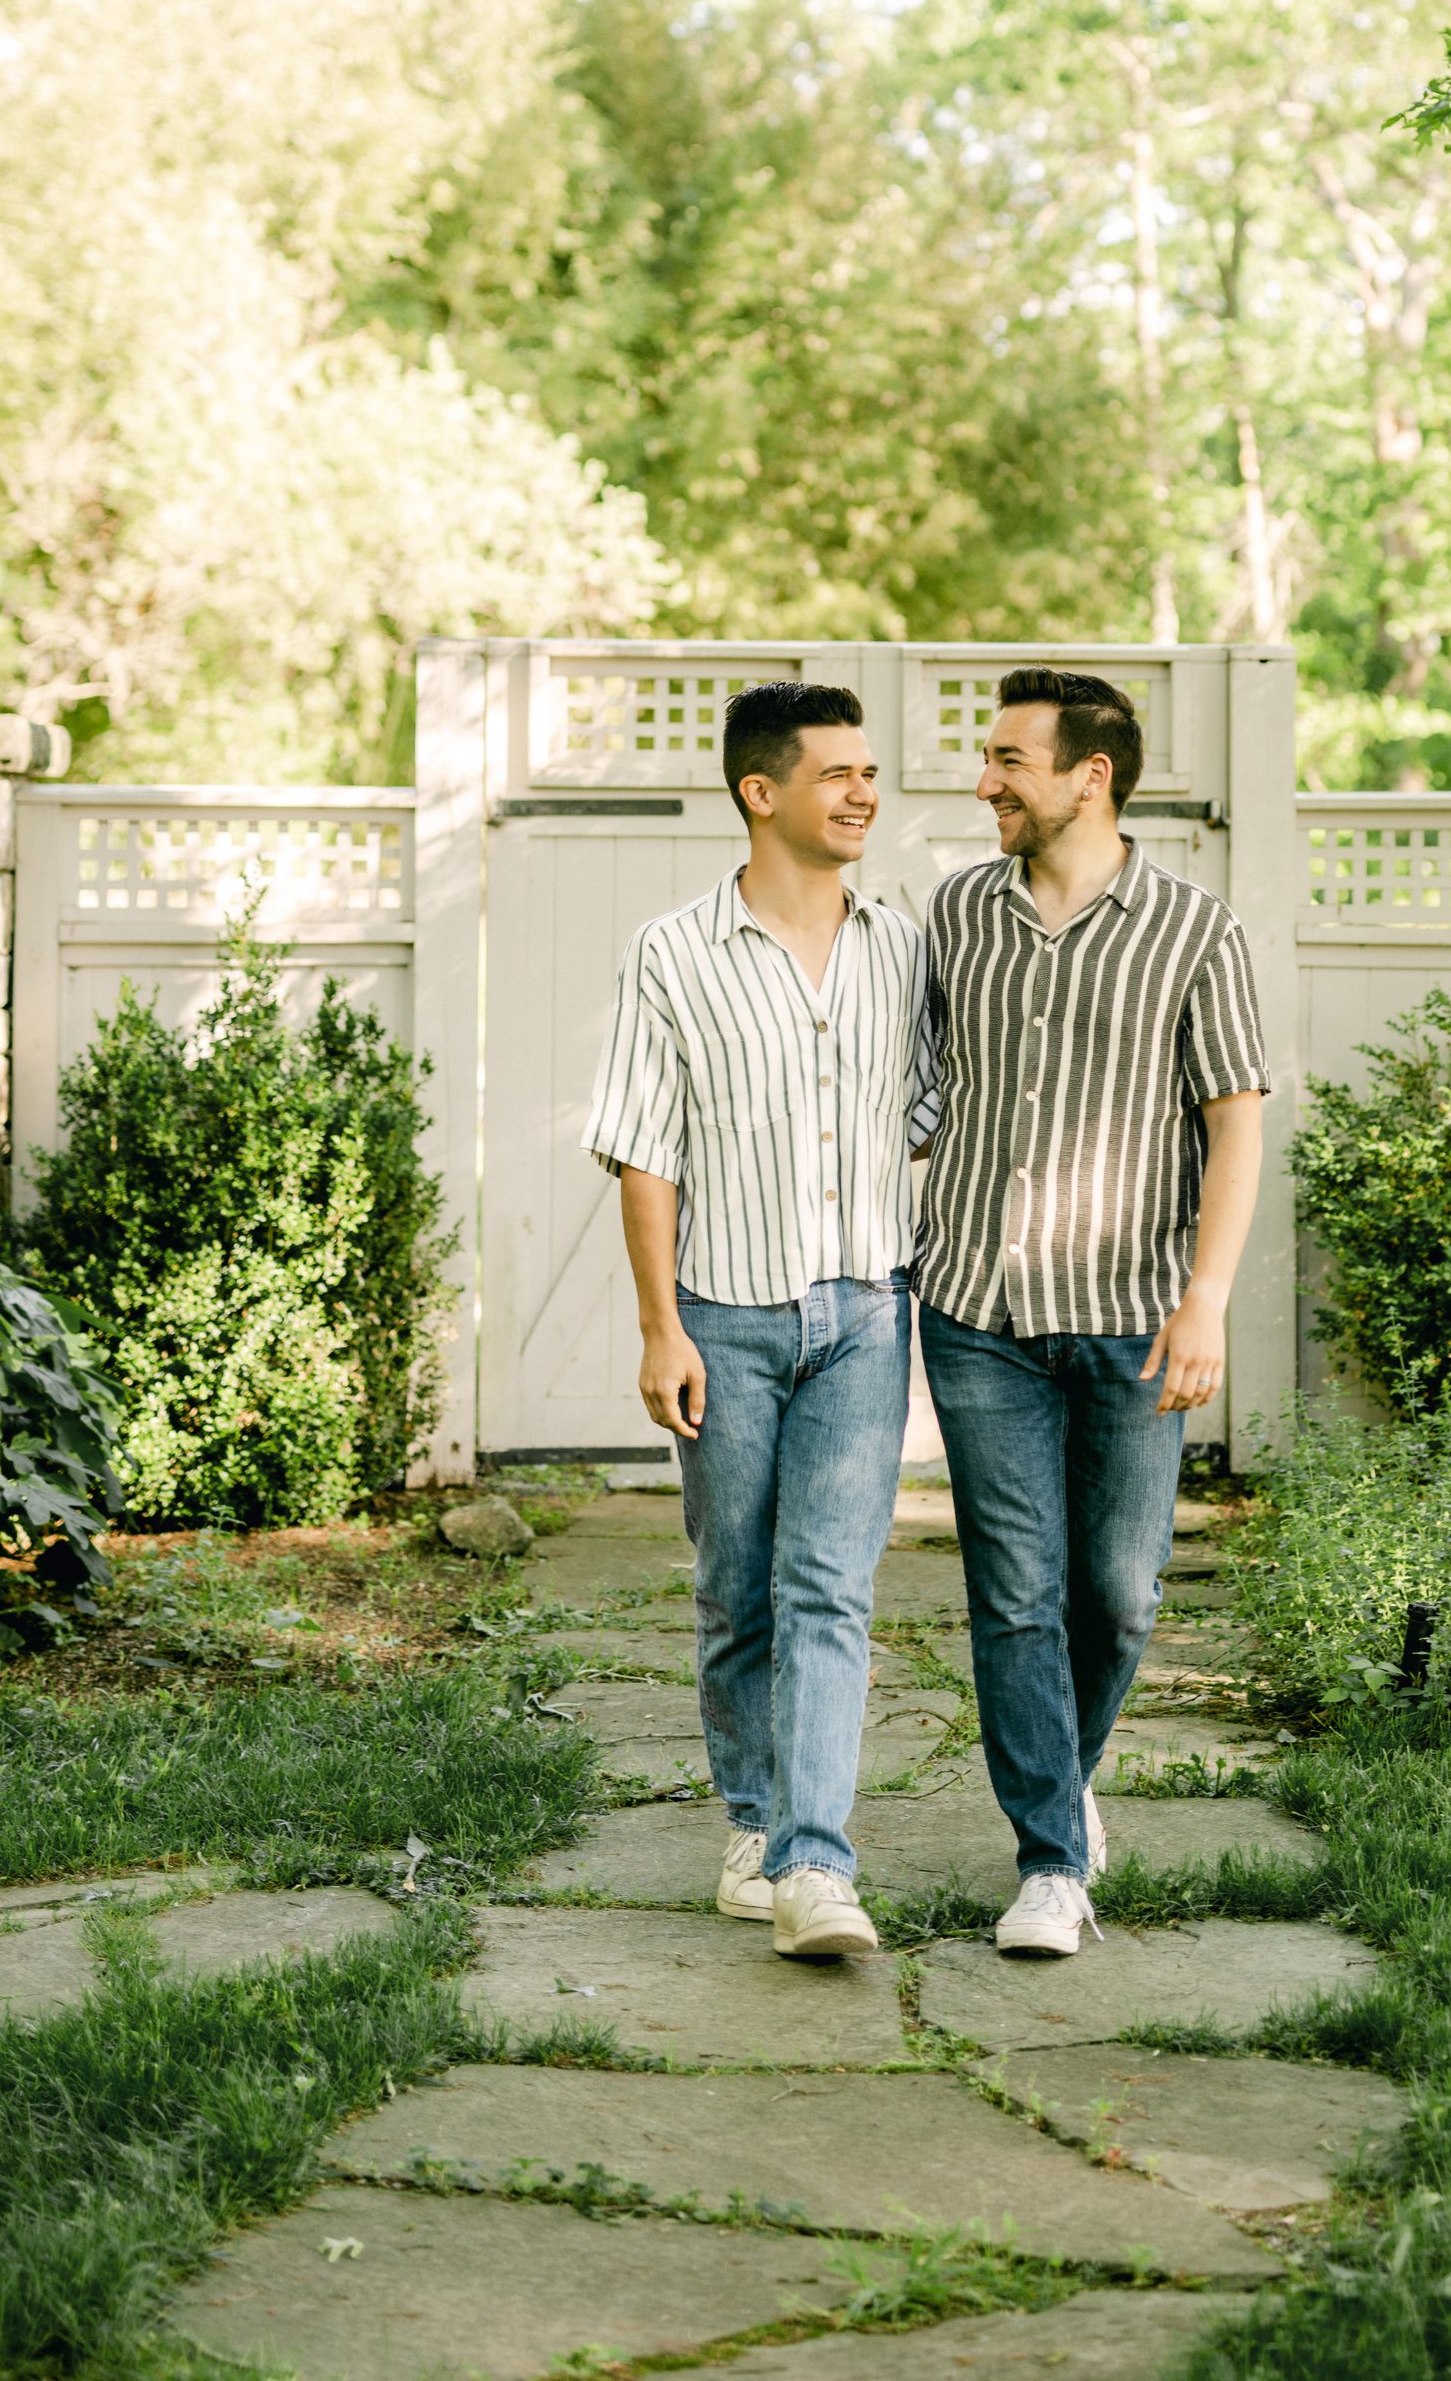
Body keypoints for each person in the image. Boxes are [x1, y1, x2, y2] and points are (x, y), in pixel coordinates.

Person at [918, 664, 1269, 1958]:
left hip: (1130, 1315)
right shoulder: (953, 913)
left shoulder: (1195, 929)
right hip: (975, 1306)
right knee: (1016, 1589)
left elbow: (1235, 1121)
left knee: (1115, 1593)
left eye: (1008, 757)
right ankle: (1052, 1861)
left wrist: (1207, 1301)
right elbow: (915, 1090)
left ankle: (1066, 1779)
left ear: (1089, 775)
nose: (985, 779)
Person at [583, 680, 925, 1961]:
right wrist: (659, 1326)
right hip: (723, 1318)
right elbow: (643, 1152)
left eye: (870, 773)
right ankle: (752, 1820)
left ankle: (816, 1865)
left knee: (829, 1587)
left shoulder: (902, 948)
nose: (863, 794)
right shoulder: (671, 954)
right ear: (760, 792)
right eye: (838, 774)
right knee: (737, 1590)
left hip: (864, 1316)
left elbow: (937, 1112)